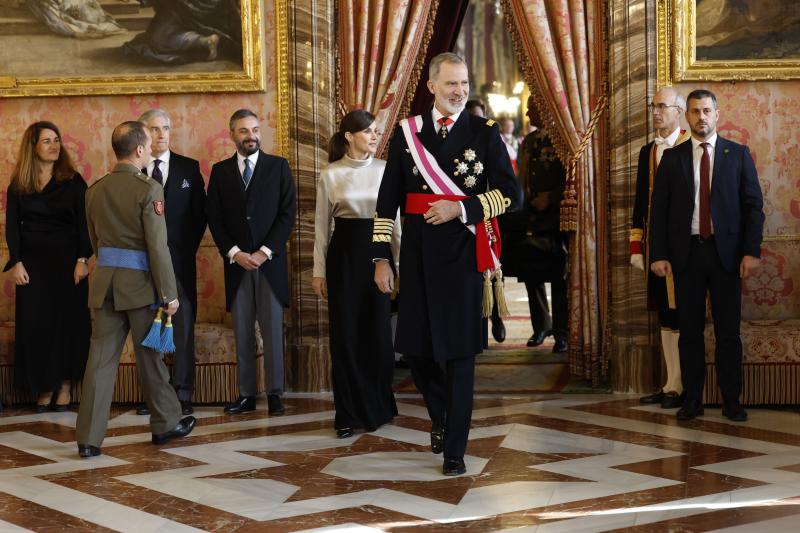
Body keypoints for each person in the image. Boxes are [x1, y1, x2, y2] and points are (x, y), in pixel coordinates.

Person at [373, 53, 519, 476]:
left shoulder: (484, 132)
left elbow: (512, 194)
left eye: (464, 84)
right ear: (432, 86)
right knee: (416, 352)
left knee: (459, 357)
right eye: (451, 84)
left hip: (462, 258)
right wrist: (381, 258)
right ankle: (441, 417)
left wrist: (463, 211)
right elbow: (386, 203)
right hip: (416, 258)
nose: (459, 92)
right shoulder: (407, 134)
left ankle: (455, 448)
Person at [76, 121, 195, 458]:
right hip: (140, 288)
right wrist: (169, 295)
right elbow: (158, 248)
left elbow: (95, 241)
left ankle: (88, 439)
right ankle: (166, 424)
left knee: (99, 362)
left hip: (104, 287)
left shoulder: (94, 190)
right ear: (140, 150)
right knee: (151, 358)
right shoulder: (148, 189)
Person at [650, 89, 764, 422]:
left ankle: (732, 401)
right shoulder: (673, 158)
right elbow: (659, 212)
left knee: (729, 333)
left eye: (707, 111)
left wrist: (751, 252)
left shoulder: (738, 155)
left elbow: (753, 208)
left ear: (717, 114)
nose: (701, 117)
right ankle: (692, 401)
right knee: (690, 333)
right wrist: (658, 254)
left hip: (727, 257)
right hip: (687, 256)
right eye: (695, 111)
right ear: (687, 115)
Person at [312, 110, 400, 439]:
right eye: (368, 132)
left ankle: (379, 405)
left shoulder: (386, 170)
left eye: (377, 131)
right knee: (345, 335)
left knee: (377, 333)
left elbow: (396, 225)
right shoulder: (330, 175)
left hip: (379, 256)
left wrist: (400, 265)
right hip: (344, 259)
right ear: (349, 136)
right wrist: (319, 272)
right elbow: (322, 228)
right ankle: (346, 413)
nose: (375, 137)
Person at [206, 109, 296, 416]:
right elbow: (214, 219)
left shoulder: (278, 167)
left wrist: (264, 252)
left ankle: (274, 393)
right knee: (242, 331)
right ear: (232, 134)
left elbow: (287, 215)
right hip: (237, 264)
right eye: (244, 131)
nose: (251, 136)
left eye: (255, 130)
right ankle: (245, 394)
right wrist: (235, 253)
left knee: (272, 331)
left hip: (269, 264)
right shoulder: (220, 171)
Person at [4, 121, 92, 412]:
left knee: (68, 325)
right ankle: (43, 387)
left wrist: (82, 260)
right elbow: (13, 229)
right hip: (32, 267)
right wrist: (15, 262)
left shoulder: (73, 181)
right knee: (36, 327)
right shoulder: (18, 185)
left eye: (56, 140)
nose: (55, 145)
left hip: (69, 266)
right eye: (47, 141)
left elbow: (85, 225)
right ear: (33, 147)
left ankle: (65, 386)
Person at [132, 109, 206, 417]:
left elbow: (200, 215)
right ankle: (153, 394)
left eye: (166, 128)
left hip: (179, 262)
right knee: (147, 326)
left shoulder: (189, 168)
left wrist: (183, 249)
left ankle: (183, 392)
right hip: (140, 264)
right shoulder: (133, 171)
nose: (162, 134)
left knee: (183, 325)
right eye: (155, 129)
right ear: (143, 135)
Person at [630, 87, 691, 409]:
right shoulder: (646, 151)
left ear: (679, 112)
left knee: (682, 315)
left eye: (662, 106)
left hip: (686, 251)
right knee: (665, 316)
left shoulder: (688, 147)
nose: (655, 112)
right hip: (656, 250)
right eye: (653, 106)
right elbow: (640, 203)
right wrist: (637, 246)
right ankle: (671, 383)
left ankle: (683, 387)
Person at [509, 98, 568, 353]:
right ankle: (540, 326)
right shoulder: (529, 142)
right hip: (530, 214)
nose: (527, 111)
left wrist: (552, 197)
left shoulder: (561, 139)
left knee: (559, 276)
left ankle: (562, 332)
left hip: (556, 217)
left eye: (531, 107)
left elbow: (572, 176)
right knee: (531, 272)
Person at [122, 0, 242, 64]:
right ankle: (204, 41)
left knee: (159, 40)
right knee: (159, 38)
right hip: (187, 9)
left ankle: (202, 41)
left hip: (191, 7)